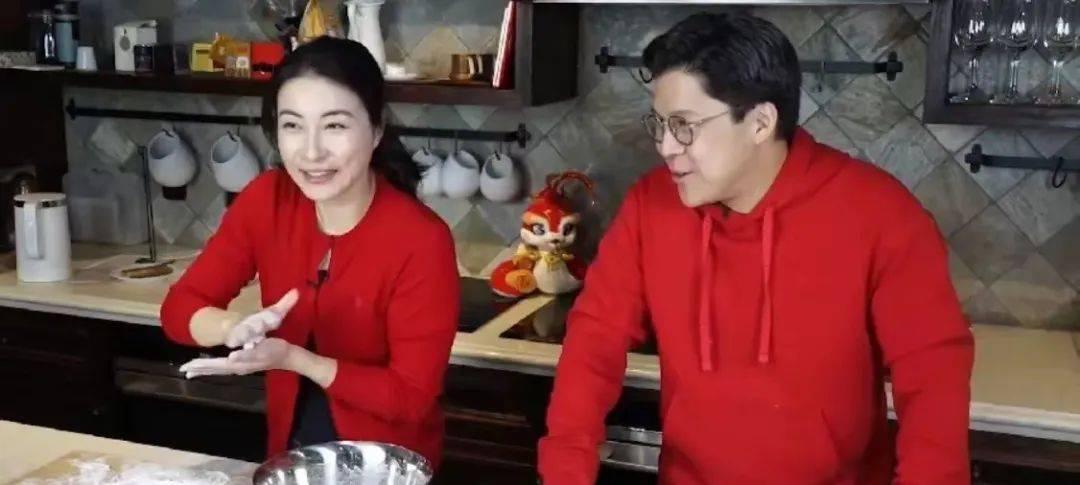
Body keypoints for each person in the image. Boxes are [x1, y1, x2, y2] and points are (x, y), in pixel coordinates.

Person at [538, 12, 973, 485]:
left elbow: (932, 376)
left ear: (761, 122)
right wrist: (563, 471)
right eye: (660, 124)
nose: (666, 146)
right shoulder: (651, 205)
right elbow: (594, 339)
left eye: (684, 126)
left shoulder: (882, 214)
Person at [160, 37, 459, 469]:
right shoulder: (267, 200)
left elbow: (411, 398)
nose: (312, 151)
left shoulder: (421, 240)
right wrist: (232, 327)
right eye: (293, 126)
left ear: (376, 130)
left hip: (387, 471)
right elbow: (179, 309)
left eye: (334, 126)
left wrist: (296, 359)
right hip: (292, 461)